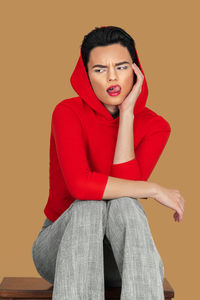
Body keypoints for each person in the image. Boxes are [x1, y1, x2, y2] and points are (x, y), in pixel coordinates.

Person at [32, 26, 185, 300]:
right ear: (86, 76)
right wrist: (152, 189)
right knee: (89, 206)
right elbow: (81, 186)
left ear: (136, 71)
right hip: (61, 247)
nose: (112, 77)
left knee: (125, 204)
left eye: (122, 66)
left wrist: (127, 115)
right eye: (100, 69)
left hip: (122, 257)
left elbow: (126, 190)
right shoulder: (67, 112)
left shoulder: (155, 126)